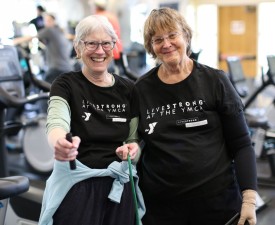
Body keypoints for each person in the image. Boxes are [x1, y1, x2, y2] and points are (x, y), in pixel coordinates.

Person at [135, 7, 258, 225]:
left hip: (217, 205)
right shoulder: (141, 89)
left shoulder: (215, 81)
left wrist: (249, 200)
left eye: (173, 35)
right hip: (162, 208)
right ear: (151, 46)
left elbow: (241, 143)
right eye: (158, 39)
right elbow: (132, 139)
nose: (166, 44)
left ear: (186, 36)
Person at [38, 15, 145, 225]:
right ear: (78, 48)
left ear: (113, 47)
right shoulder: (65, 84)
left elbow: (133, 141)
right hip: (78, 185)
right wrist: (61, 143)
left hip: (119, 185)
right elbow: (57, 121)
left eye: (106, 43)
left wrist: (132, 152)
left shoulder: (128, 89)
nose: (99, 50)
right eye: (91, 43)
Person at [13, 13, 74, 84]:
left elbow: (32, 37)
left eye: (49, 20)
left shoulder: (49, 30)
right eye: (45, 21)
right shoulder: (61, 32)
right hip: (68, 69)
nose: (46, 23)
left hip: (56, 70)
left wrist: (15, 41)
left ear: (54, 21)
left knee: (44, 89)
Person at [94, 0, 123, 69]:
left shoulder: (98, 17)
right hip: (117, 50)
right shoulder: (112, 16)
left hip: (107, 51)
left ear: (96, 7)